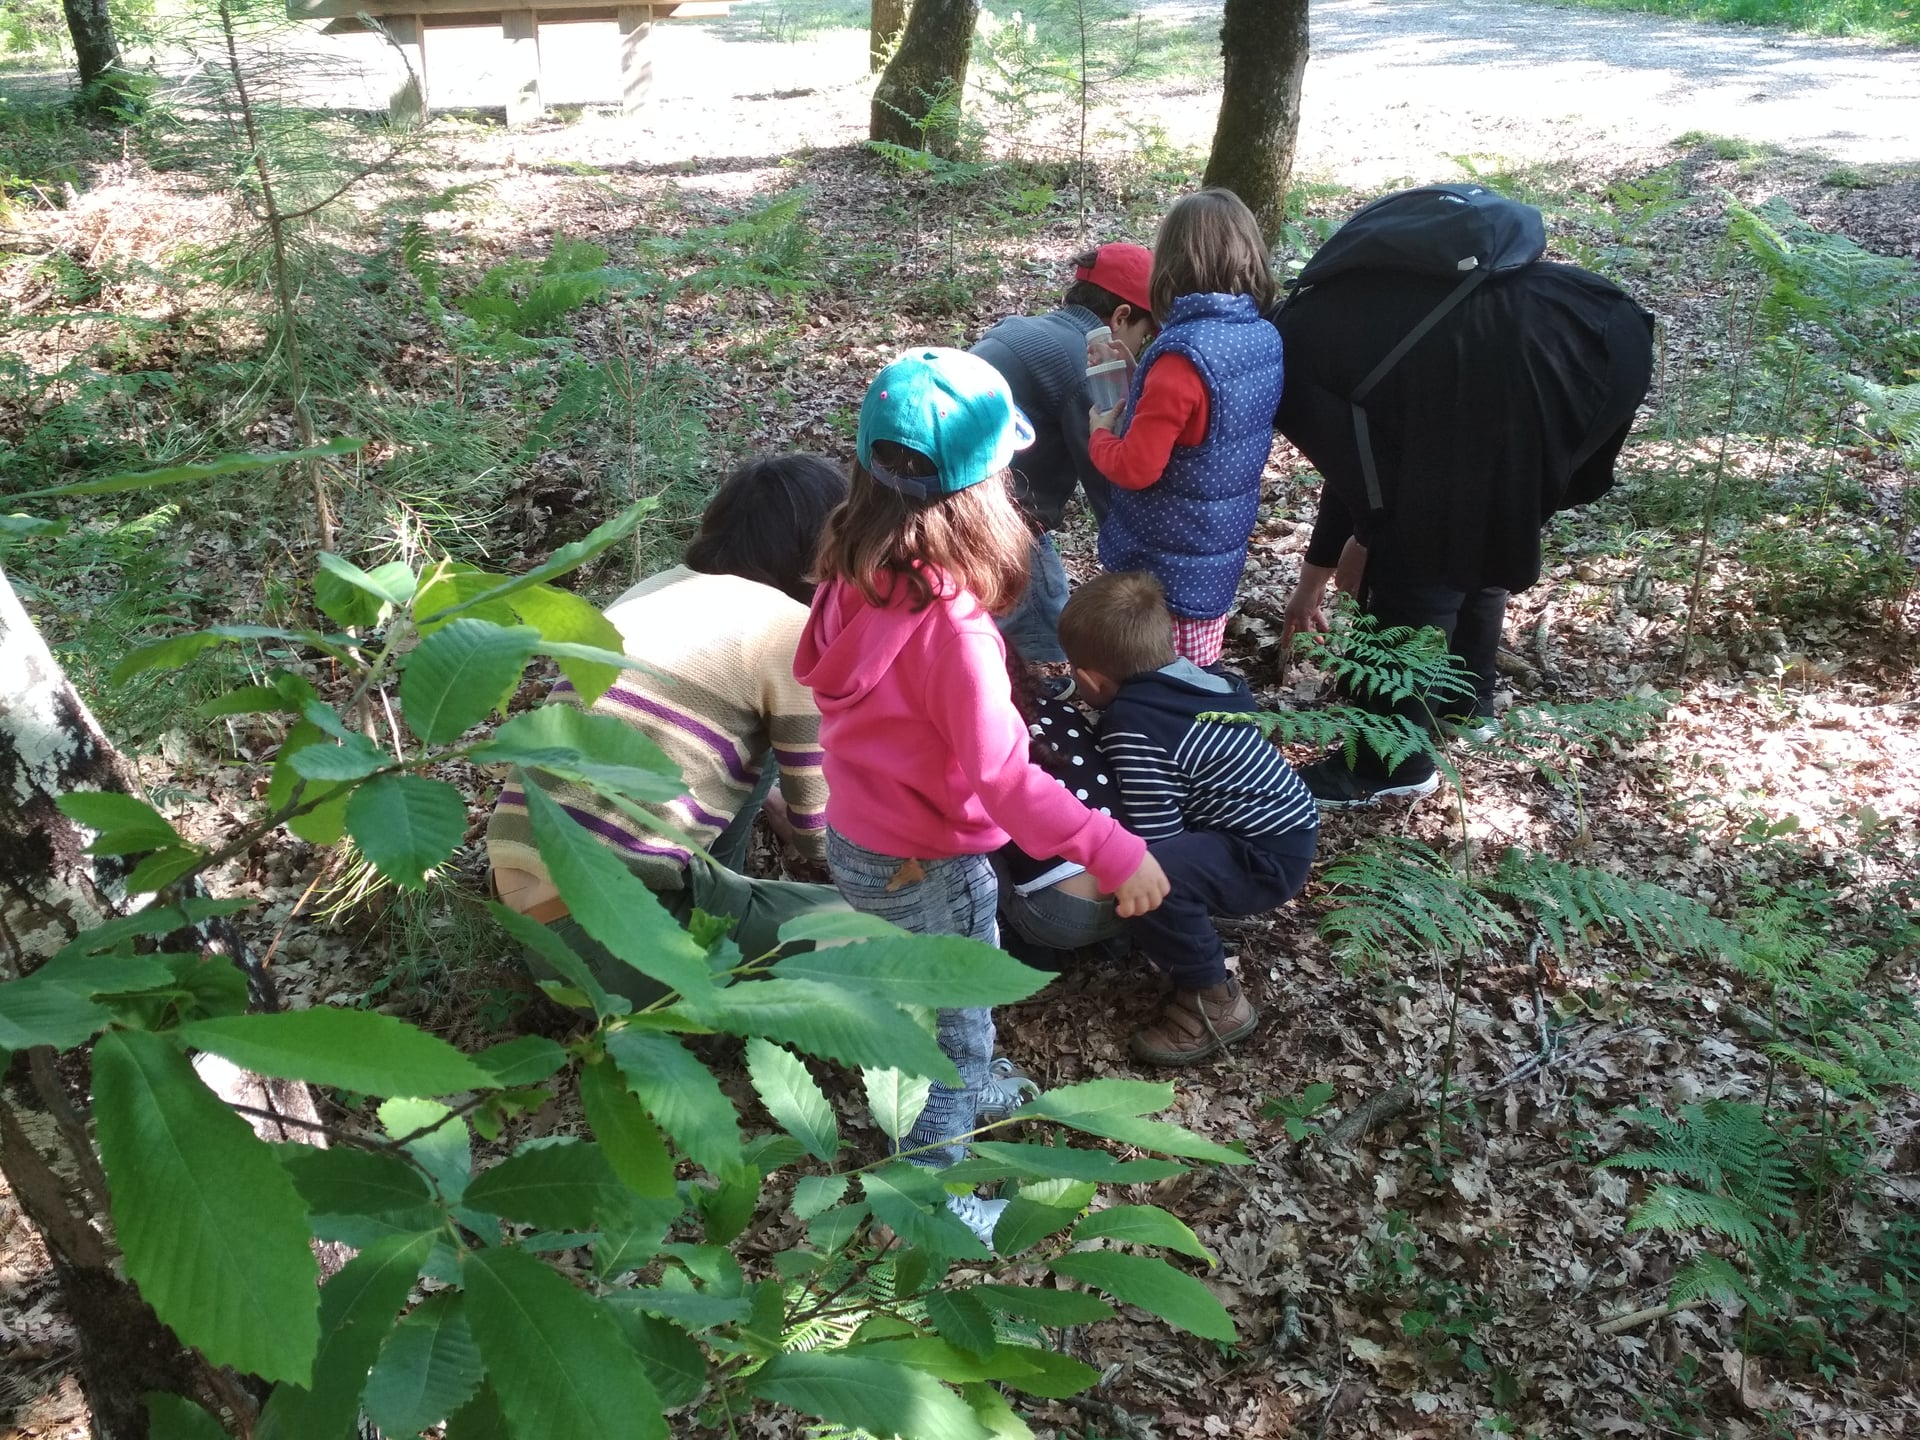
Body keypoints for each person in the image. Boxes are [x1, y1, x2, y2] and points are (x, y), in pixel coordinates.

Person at [794, 347, 1170, 1243]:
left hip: (860, 838)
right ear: (988, 490)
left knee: (932, 992)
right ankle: (933, 1198)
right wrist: (1117, 850)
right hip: (931, 859)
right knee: (950, 1033)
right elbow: (1005, 781)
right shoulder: (952, 633)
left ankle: (971, 1076)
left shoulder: (853, 567)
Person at [1273, 260, 1656, 806]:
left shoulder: (1293, 361)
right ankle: (1463, 703)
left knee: (1418, 548)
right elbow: (1357, 463)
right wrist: (1317, 577)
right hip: (1602, 330)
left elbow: (1361, 479)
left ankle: (1388, 762)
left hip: (1550, 354)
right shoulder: (1325, 321)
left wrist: (1365, 546)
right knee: (1482, 516)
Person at [487, 454, 851, 1005]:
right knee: (888, 934)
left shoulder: (652, 590)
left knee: (744, 737)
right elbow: (824, 840)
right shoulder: (789, 630)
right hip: (618, 938)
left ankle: (725, 903)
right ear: (822, 548)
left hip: (530, 921)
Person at [1058, 571, 1320, 1064]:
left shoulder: (1135, 729)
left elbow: (1157, 834)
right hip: (1288, 825)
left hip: (1259, 853)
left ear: (1092, 680)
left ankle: (1214, 999)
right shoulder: (1202, 682)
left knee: (1151, 873)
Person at [1090, 188, 1286, 668]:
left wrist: (1099, 432)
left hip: (1160, 566)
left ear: (1173, 262)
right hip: (1214, 551)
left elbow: (1137, 468)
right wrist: (1142, 380)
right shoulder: (1263, 335)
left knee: (1147, 679)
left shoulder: (1181, 356)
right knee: (1193, 677)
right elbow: (1210, 421)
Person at [970, 242, 1156, 663]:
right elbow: (1108, 480)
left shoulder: (1021, 328)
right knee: (1049, 641)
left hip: (960, 500)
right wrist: (1143, 575)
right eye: (1143, 336)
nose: (1138, 349)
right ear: (1122, 316)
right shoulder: (1085, 363)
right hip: (996, 520)